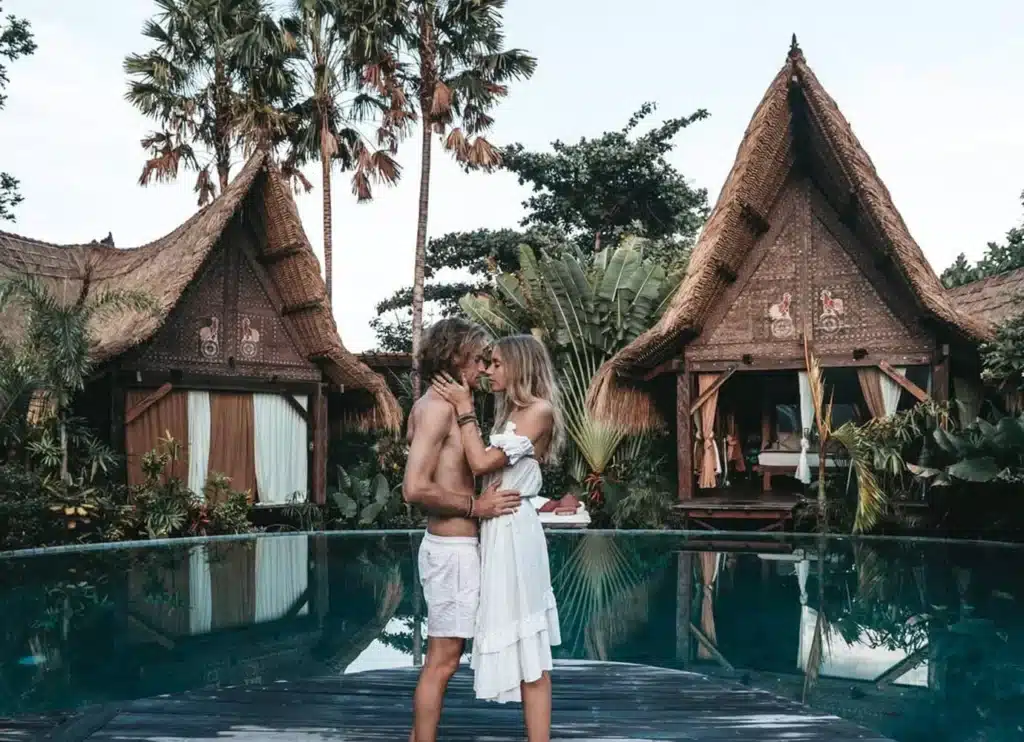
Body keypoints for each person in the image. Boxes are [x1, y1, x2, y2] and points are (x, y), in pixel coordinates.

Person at [430, 334, 563, 742]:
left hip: (515, 533)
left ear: (520, 367)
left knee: (530, 648)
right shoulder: (513, 414)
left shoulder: (539, 411)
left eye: (498, 364)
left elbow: (481, 461)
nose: (488, 370)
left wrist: (464, 408)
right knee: (519, 642)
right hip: (498, 531)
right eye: (487, 363)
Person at [402, 318, 522, 742]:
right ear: (455, 357)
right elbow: (414, 488)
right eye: (478, 359)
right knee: (443, 661)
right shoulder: (436, 409)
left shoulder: (444, 406)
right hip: (450, 552)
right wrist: (477, 506)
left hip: (455, 549)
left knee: (443, 660)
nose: (484, 368)